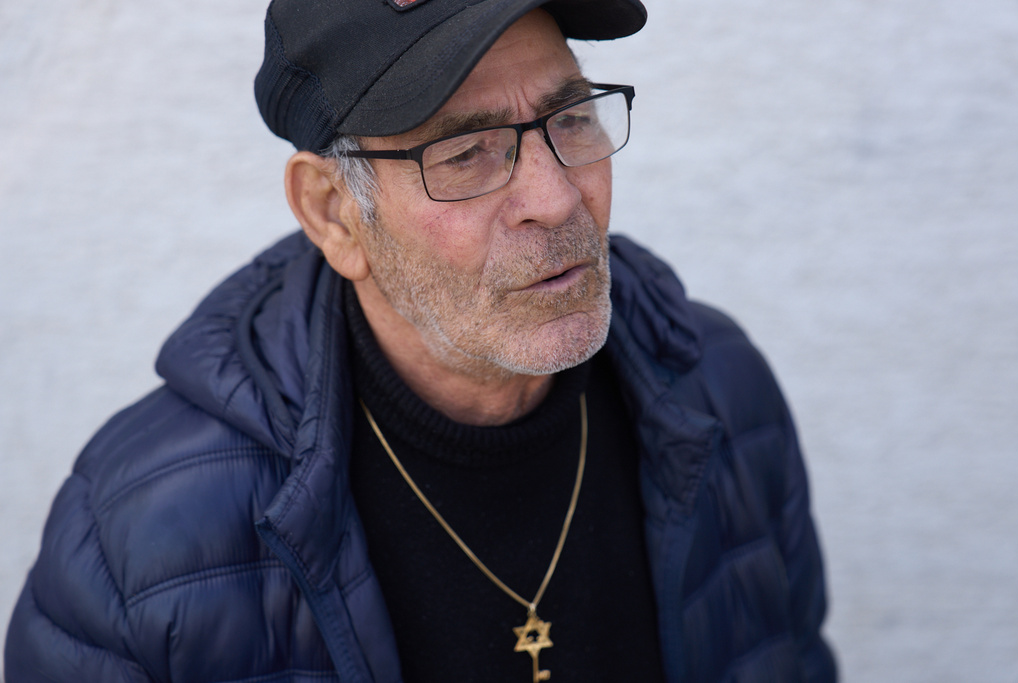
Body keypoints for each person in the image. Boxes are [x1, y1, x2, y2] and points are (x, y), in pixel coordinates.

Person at [5, 0, 837, 681]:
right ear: (335, 213)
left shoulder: (723, 393)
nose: (554, 197)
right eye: (468, 153)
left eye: (571, 117)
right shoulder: (134, 543)